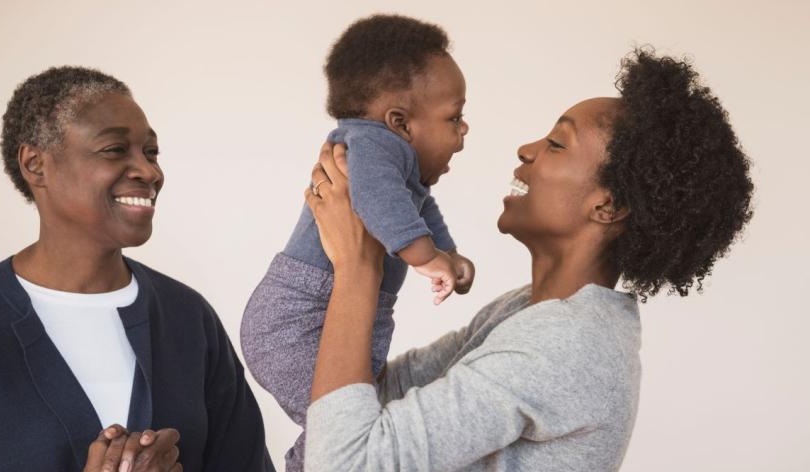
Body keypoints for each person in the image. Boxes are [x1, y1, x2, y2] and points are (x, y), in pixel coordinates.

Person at [301, 48, 754, 471]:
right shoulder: (526, 312)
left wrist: (358, 267)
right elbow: (378, 396)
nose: (526, 149)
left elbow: (340, 461)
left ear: (608, 205)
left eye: (557, 144)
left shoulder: (565, 345)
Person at [0, 66, 274, 472]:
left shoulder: (187, 318)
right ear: (36, 165)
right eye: (114, 150)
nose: (149, 171)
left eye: (151, 152)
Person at [240, 14, 473, 470]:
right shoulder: (369, 144)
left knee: (350, 420)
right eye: (455, 117)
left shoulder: (397, 160)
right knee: (345, 426)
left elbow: (419, 209)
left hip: (329, 314)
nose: (464, 131)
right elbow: (376, 201)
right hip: (295, 323)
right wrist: (427, 259)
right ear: (400, 122)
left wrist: (449, 255)